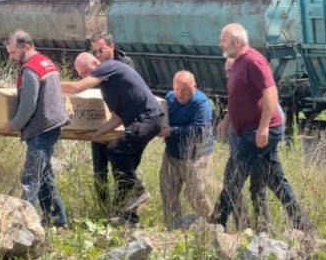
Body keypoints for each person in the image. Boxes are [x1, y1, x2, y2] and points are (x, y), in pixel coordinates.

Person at [209, 23, 312, 231]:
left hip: (258, 132)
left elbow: (271, 92)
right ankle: (303, 225)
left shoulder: (254, 61)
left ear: (237, 42)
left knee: (234, 174)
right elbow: (240, 96)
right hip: (249, 130)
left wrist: (263, 128)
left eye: (223, 41)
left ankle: (217, 223)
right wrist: (227, 120)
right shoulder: (237, 62)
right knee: (276, 179)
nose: (220, 44)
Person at [61, 52, 163, 226]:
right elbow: (117, 119)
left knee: (114, 151)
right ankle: (129, 220)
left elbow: (77, 88)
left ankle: (138, 190)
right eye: (81, 74)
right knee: (124, 168)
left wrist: (48, 83)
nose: (86, 76)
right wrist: (96, 134)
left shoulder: (108, 66)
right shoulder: (108, 88)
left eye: (86, 72)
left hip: (147, 119)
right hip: (141, 122)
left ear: (95, 62)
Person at [4, 30, 69, 227]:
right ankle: (57, 219)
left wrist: (14, 124)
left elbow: (28, 105)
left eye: (14, 53)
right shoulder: (46, 62)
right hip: (53, 124)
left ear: (27, 47)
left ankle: (24, 224)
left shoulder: (30, 69)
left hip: (41, 127)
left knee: (30, 177)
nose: (11, 57)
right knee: (44, 174)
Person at [158, 71, 214, 230]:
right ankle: (173, 228)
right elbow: (161, 119)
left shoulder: (201, 103)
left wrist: (172, 131)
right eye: (176, 89)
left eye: (184, 89)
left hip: (196, 156)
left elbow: (199, 131)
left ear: (194, 87)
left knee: (195, 194)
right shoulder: (169, 98)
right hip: (172, 155)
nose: (180, 93)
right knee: (168, 192)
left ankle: (213, 226)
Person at [88, 32, 135, 211]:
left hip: (120, 125)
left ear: (112, 47)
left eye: (101, 50)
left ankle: (120, 208)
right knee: (99, 172)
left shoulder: (125, 64)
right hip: (100, 122)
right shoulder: (94, 66)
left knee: (120, 170)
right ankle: (103, 209)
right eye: (95, 52)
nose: (98, 55)